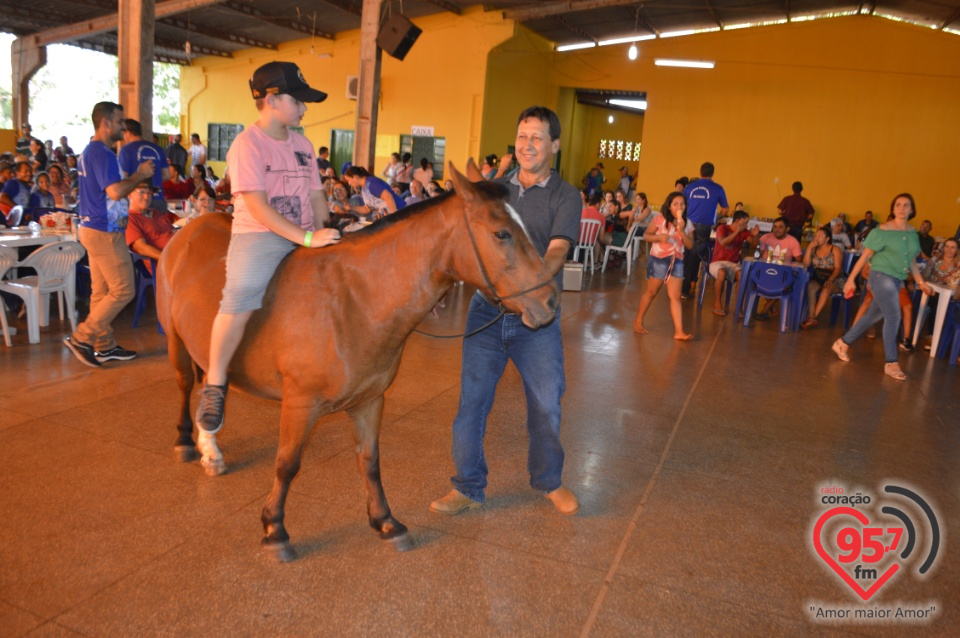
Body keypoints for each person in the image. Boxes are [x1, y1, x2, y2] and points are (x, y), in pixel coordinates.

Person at [429, 105, 581, 517]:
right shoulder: (494, 190)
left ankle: (549, 481)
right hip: (488, 314)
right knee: (471, 404)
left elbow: (558, 250)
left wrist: (529, 290)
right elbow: (467, 247)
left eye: (537, 137)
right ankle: (468, 486)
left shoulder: (567, 195)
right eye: (522, 136)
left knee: (547, 403)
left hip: (537, 318)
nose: (527, 144)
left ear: (554, 144)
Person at [194, 61, 340, 437]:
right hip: (261, 234)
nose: (305, 108)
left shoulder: (303, 145)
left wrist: (329, 230)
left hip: (307, 230)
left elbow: (315, 195)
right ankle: (215, 382)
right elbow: (258, 207)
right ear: (272, 100)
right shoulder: (247, 145)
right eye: (299, 100)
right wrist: (306, 239)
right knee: (239, 297)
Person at [63, 101, 155, 368]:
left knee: (101, 291)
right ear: (105, 123)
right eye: (119, 121)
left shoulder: (91, 152)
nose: (123, 126)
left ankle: (104, 345)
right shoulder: (101, 153)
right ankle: (84, 337)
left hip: (93, 228)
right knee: (125, 289)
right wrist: (140, 174)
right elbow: (114, 192)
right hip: (104, 230)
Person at [831, 194, 931, 381]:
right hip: (880, 277)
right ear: (893, 209)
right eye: (898, 205)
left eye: (906, 205)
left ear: (911, 209)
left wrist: (920, 282)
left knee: (872, 316)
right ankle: (891, 362)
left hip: (897, 280)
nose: (901, 208)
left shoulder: (912, 234)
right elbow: (865, 257)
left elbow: (911, 262)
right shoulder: (881, 231)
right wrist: (851, 279)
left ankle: (842, 343)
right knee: (893, 316)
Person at [634, 191, 695, 339]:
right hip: (659, 260)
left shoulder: (688, 223)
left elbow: (690, 245)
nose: (679, 206)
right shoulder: (659, 219)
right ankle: (638, 320)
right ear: (669, 206)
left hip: (677, 261)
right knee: (651, 292)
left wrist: (682, 231)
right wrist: (658, 237)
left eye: (682, 204)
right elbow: (646, 236)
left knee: (675, 296)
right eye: (675, 204)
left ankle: (679, 332)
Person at [681, 162, 729, 299]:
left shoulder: (690, 187)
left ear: (700, 171)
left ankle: (680, 286)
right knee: (695, 257)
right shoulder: (718, 189)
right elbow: (725, 209)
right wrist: (717, 217)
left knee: (684, 255)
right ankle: (687, 287)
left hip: (687, 225)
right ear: (713, 173)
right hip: (703, 227)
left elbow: (682, 204)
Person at [709, 210, 758, 316]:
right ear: (738, 221)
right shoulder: (722, 228)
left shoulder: (744, 232)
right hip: (717, 262)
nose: (746, 225)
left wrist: (755, 235)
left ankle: (739, 307)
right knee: (721, 272)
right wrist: (737, 232)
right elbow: (723, 243)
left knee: (742, 274)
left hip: (733, 263)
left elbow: (754, 245)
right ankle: (717, 304)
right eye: (745, 222)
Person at [119, 118, 171, 210]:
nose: (123, 137)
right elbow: (167, 175)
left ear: (128, 132)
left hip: (137, 201)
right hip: (158, 199)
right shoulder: (158, 149)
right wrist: (154, 181)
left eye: (123, 133)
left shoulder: (126, 150)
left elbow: (123, 176)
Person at [125, 180, 176, 273]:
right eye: (142, 192)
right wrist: (166, 258)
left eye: (149, 193)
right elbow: (141, 247)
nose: (146, 196)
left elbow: (172, 233)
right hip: (166, 265)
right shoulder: (130, 219)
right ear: (129, 194)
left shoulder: (156, 213)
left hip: (180, 253)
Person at [800, 226, 845, 329]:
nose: (817, 238)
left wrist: (830, 279)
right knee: (811, 286)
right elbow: (805, 264)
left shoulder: (834, 249)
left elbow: (838, 268)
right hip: (819, 276)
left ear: (827, 238)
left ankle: (812, 318)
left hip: (834, 277)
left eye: (820, 236)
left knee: (826, 289)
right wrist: (809, 248)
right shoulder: (814, 249)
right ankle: (812, 318)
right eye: (816, 236)